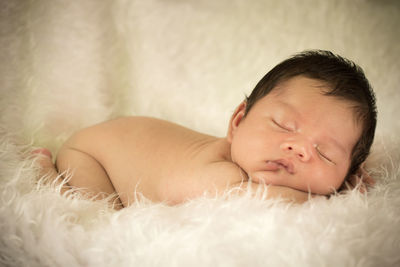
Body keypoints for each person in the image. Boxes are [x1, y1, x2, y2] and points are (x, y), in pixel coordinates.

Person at [33, 50, 377, 210]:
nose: (298, 148)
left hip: (130, 140)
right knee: (96, 218)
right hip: (93, 155)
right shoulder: (221, 175)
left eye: (325, 153)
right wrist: (335, 196)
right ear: (238, 122)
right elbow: (264, 201)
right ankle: (49, 177)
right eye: (284, 125)